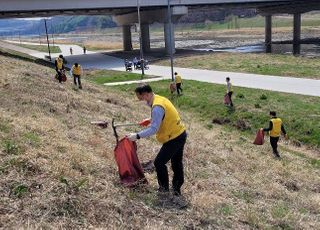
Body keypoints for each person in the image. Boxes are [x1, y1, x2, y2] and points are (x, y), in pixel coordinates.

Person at [127, 84, 187, 203]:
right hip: (179, 133)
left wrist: (137, 136)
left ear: (146, 94)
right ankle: (176, 190)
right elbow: (163, 116)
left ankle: (164, 189)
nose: (141, 100)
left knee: (159, 162)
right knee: (176, 163)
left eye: (141, 98)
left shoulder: (157, 107)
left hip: (174, 138)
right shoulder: (159, 99)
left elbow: (154, 129)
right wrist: (149, 120)